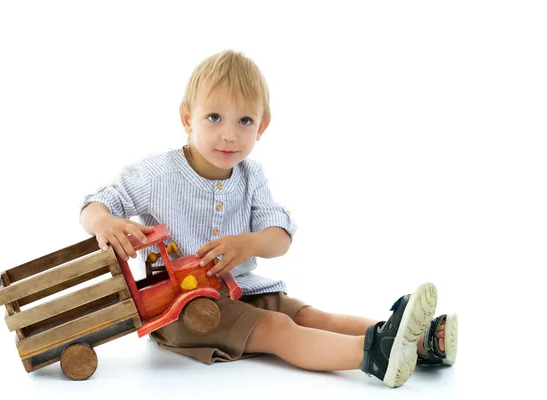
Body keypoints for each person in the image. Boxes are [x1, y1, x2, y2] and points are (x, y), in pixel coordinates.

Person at [78, 49, 457, 388]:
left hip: (246, 289)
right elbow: (98, 201)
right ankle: (375, 355)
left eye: (244, 121)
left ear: (262, 126)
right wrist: (103, 222)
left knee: (311, 316)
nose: (229, 135)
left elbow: (281, 235)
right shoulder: (157, 175)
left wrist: (250, 244)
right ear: (187, 118)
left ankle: (418, 342)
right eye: (214, 117)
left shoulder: (251, 176)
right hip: (188, 310)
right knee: (278, 329)